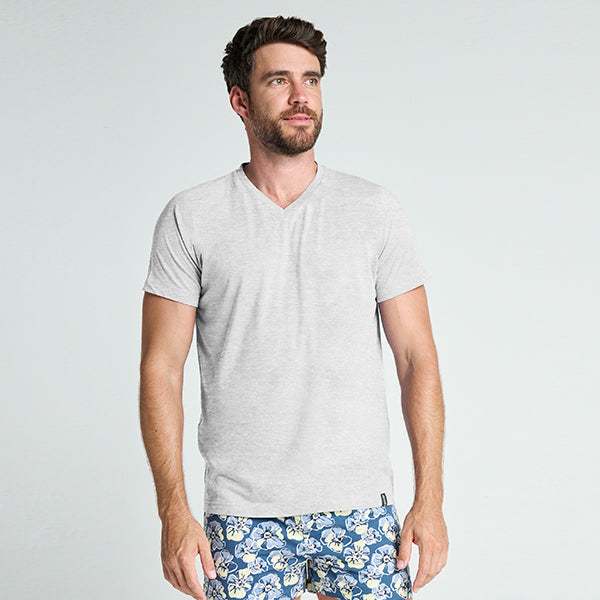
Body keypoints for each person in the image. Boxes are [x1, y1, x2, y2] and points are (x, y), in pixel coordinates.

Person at [139, 15, 448, 600]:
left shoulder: (373, 211)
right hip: (242, 517)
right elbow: (160, 368)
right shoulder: (192, 217)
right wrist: (174, 513)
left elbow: (417, 360)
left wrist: (429, 501)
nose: (301, 95)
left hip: (361, 510)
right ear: (240, 101)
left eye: (311, 79)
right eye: (278, 80)